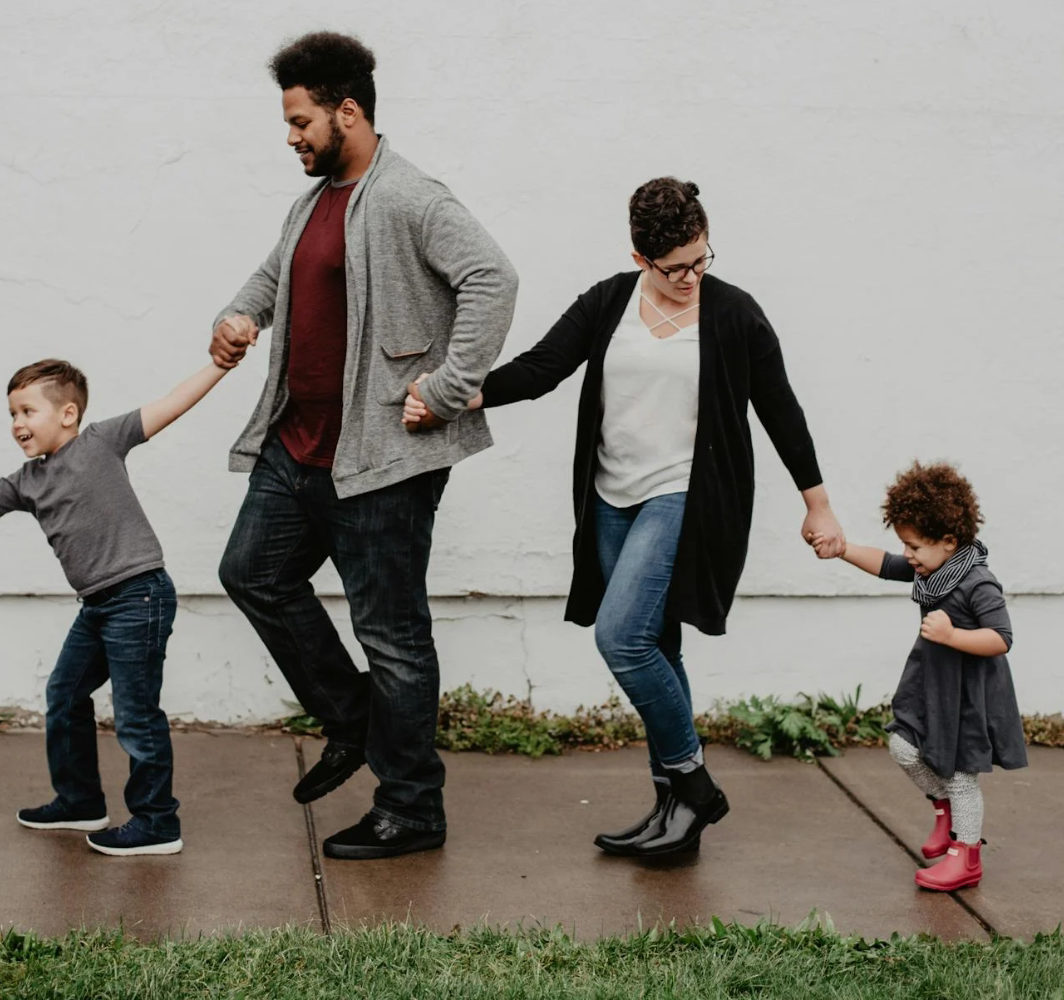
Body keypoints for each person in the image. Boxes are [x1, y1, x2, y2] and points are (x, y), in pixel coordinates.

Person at [404, 177, 844, 857]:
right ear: (641, 259)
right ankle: (674, 814)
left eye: (702, 260)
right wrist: (457, 397)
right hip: (610, 499)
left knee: (623, 640)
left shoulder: (734, 315)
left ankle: (694, 786)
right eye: (675, 268)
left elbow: (780, 408)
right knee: (658, 646)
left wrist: (817, 503)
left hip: (683, 496)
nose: (692, 277)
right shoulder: (611, 301)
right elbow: (543, 368)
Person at [210, 32, 517, 860]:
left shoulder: (411, 197)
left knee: (392, 634)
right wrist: (239, 316)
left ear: (348, 111)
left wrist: (448, 388)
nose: (291, 136)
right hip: (297, 447)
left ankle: (412, 807)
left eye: (301, 119)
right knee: (251, 573)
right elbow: (275, 276)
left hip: (379, 459)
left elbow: (494, 278)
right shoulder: (312, 202)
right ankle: (353, 723)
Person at [0, 357, 233, 856]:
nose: (17, 424)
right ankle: (80, 800)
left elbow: (172, 403)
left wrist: (219, 364)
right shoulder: (27, 481)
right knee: (64, 694)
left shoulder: (102, 441)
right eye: (12, 414)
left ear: (67, 413)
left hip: (139, 595)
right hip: (98, 606)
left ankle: (156, 821)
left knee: (135, 714)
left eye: (27, 411)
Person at [812, 461, 1026, 891]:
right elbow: (886, 563)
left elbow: (1001, 638)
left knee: (960, 774)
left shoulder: (977, 582)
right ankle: (944, 811)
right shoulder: (932, 570)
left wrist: (952, 635)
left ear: (949, 541)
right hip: (931, 686)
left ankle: (966, 855)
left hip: (967, 694)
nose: (908, 554)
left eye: (915, 546)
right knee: (903, 746)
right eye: (905, 544)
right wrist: (842, 548)